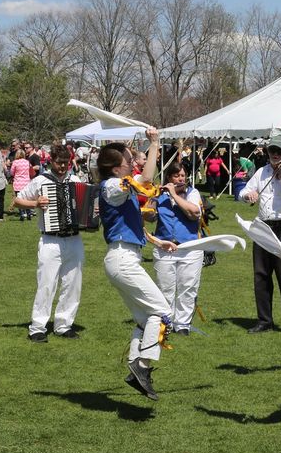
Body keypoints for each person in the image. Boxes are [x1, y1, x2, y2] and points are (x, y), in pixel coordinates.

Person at [97, 129, 173, 400]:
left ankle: (135, 368)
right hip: (122, 260)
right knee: (163, 313)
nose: (134, 164)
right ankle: (142, 365)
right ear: (117, 169)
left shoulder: (120, 187)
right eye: (129, 161)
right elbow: (148, 178)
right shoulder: (110, 186)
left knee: (145, 319)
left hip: (125, 258)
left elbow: (131, 223)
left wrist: (155, 241)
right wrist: (154, 143)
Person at [14, 144, 86, 341]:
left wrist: (91, 211)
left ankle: (64, 324)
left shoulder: (76, 180)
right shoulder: (40, 181)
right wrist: (35, 203)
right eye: (59, 163)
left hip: (74, 238)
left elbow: (85, 204)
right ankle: (38, 327)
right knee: (46, 283)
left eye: (65, 163)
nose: (62, 167)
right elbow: (17, 201)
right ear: (51, 162)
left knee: (73, 283)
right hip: (50, 239)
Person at [239, 132, 281, 334]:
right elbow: (242, 193)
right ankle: (264, 320)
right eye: (271, 150)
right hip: (263, 227)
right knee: (261, 275)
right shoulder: (261, 172)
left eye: (279, 151)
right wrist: (248, 195)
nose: (274, 154)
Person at [148, 162, 204, 335]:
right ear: (169, 178)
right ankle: (167, 322)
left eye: (182, 175)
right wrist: (151, 202)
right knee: (165, 287)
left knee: (187, 287)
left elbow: (194, 212)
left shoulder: (192, 193)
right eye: (176, 176)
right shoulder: (160, 195)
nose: (181, 178)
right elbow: (149, 217)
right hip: (164, 246)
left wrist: (173, 194)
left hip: (190, 247)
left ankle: (183, 324)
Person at [9, 147, 33, 221]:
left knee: (19, 200)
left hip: (18, 183)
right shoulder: (27, 162)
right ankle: (28, 213)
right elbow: (30, 171)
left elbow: (11, 172)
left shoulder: (15, 162)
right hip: (26, 183)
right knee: (27, 199)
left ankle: (22, 214)